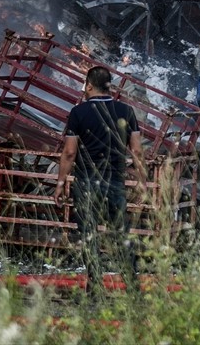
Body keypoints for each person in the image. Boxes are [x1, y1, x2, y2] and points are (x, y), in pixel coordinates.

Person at [53, 65, 147, 295]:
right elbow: (136, 150)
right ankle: (132, 284)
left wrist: (60, 183)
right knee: (120, 233)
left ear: (89, 86)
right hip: (115, 182)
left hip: (86, 182)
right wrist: (142, 181)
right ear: (110, 87)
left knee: (89, 233)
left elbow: (69, 153)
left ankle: (94, 283)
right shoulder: (127, 111)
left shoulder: (78, 113)